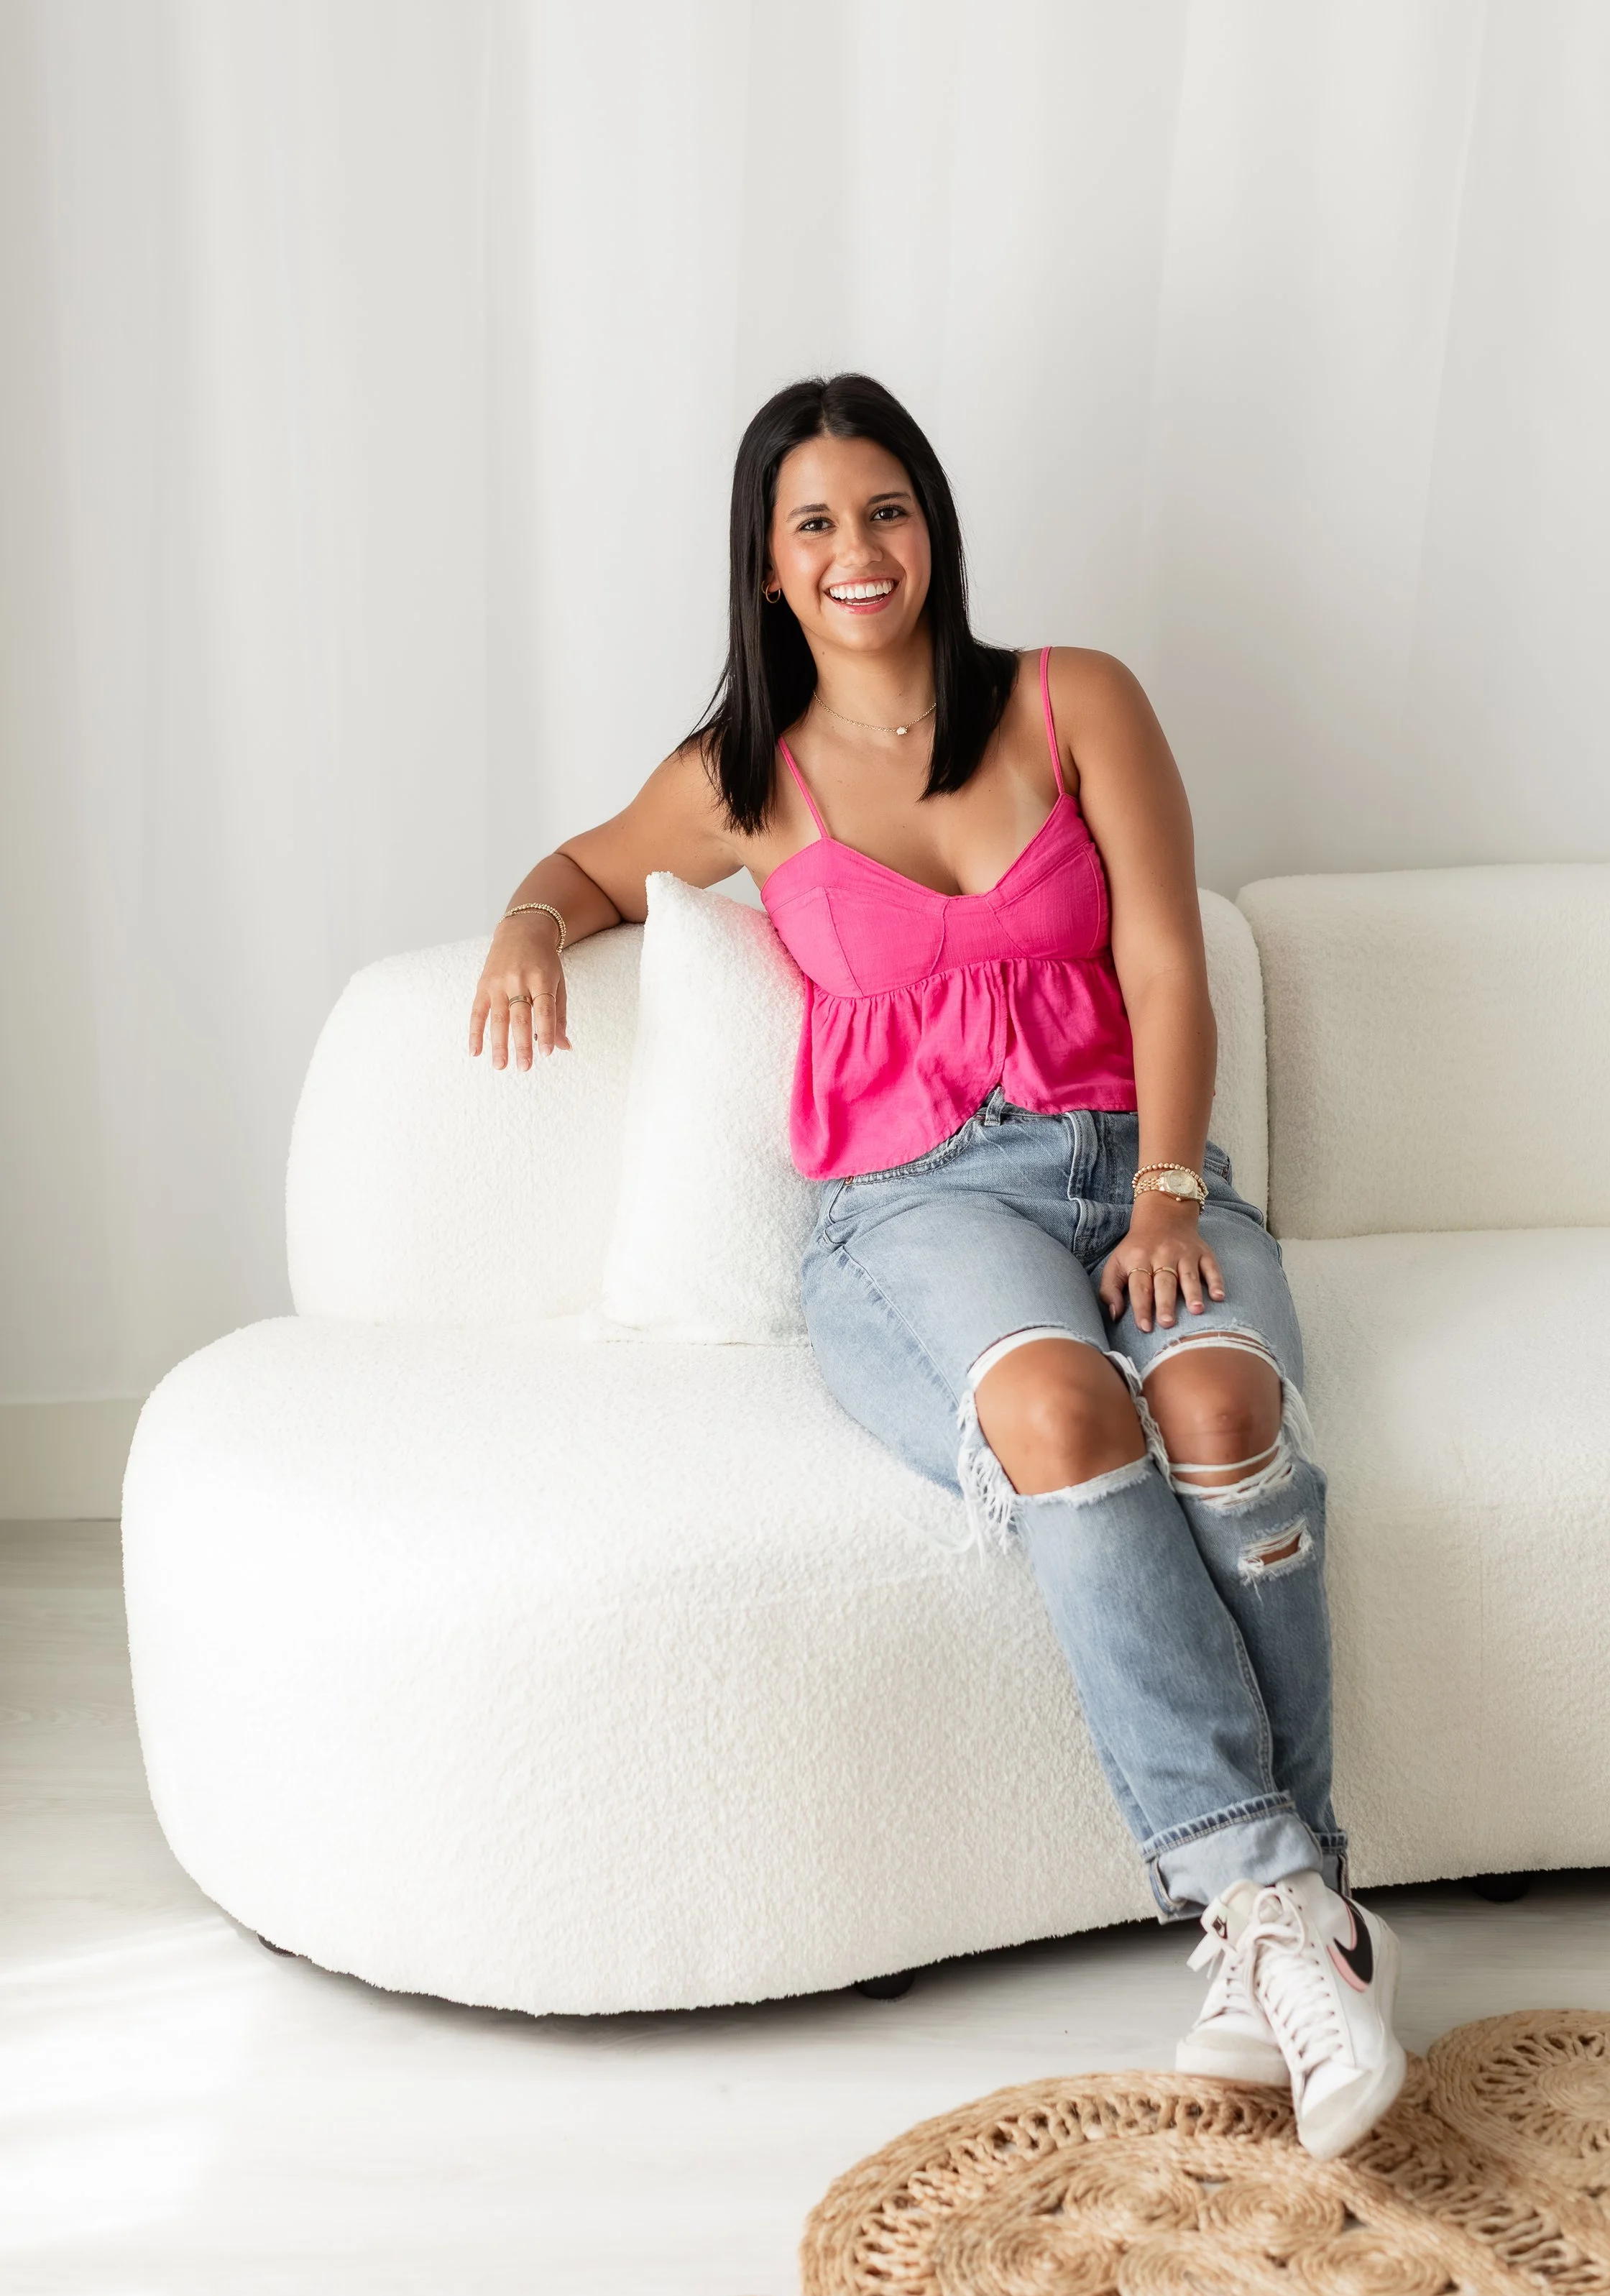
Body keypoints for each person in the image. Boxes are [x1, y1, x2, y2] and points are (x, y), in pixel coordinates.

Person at [469, 372, 1404, 2159]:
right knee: (1065, 1414)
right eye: (813, 522)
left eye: (884, 508)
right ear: (767, 564)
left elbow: (1163, 964)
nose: (858, 549)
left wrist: (1168, 1197)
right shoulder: (740, 775)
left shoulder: (1073, 700)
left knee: (1218, 1411)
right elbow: (584, 867)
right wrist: (526, 923)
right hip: (916, 1213)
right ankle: (1286, 1901)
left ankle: (1272, 1941)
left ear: (931, 524)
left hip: (1135, 1177)